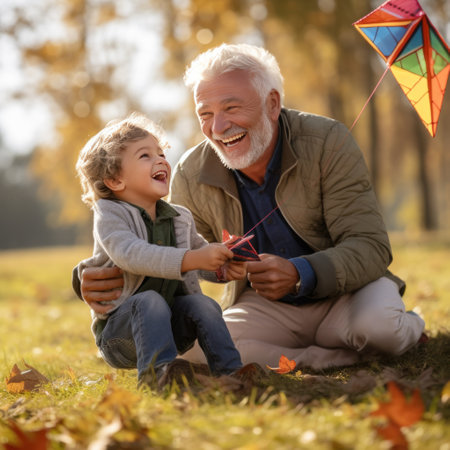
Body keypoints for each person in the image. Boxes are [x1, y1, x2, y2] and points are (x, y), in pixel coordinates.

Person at [74, 44, 425, 371]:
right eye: (206, 113)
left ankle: (408, 324)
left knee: (382, 330)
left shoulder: (328, 141)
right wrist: (86, 278)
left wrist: (301, 272)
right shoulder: (191, 172)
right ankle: (320, 357)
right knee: (191, 348)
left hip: (348, 294)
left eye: (231, 107)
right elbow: (168, 252)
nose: (218, 127)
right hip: (265, 309)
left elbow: (372, 246)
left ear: (272, 104)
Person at [75, 112, 244, 388]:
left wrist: (222, 264)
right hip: (121, 335)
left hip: (172, 327)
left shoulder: (179, 217)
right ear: (115, 180)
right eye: (145, 156)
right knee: (149, 300)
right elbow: (131, 254)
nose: (161, 160)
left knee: (204, 304)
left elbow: (199, 258)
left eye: (161, 153)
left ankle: (232, 372)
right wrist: (191, 258)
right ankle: (158, 378)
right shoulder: (110, 215)